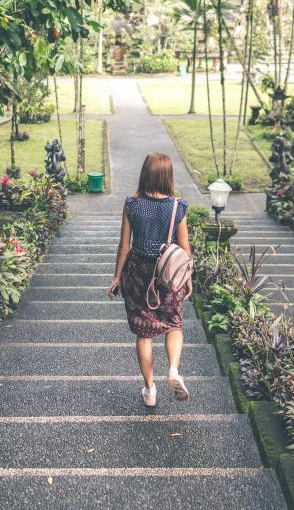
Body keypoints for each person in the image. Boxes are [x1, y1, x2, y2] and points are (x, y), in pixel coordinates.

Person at [108, 152, 192, 407]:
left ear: (145, 174)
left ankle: (149, 390)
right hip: (167, 275)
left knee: (144, 334)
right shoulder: (178, 207)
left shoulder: (132, 205)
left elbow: (124, 246)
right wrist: (187, 278)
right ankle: (174, 370)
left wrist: (116, 276)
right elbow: (184, 247)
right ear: (168, 176)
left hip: (137, 274)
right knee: (174, 325)